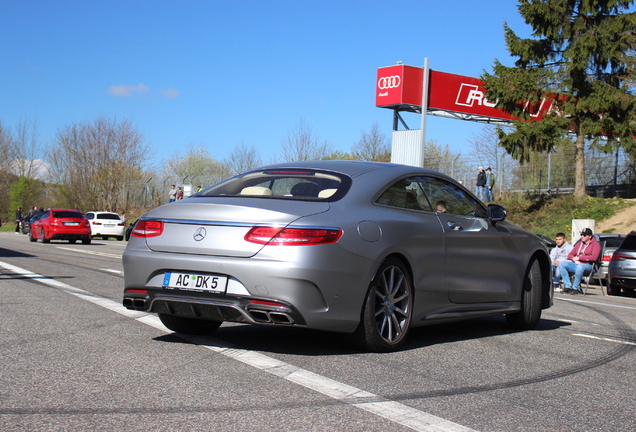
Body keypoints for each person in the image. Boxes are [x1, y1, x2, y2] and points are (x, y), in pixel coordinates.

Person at [557, 228, 601, 294]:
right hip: (576, 264)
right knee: (562, 264)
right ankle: (567, 286)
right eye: (581, 235)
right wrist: (574, 259)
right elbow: (570, 255)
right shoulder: (579, 244)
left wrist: (579, 258)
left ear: (590, 236)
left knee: (580, 267)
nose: (582, 236)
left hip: (589, 265)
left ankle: (575, 288)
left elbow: (594, 257)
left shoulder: (595, 245)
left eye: (584, 235)